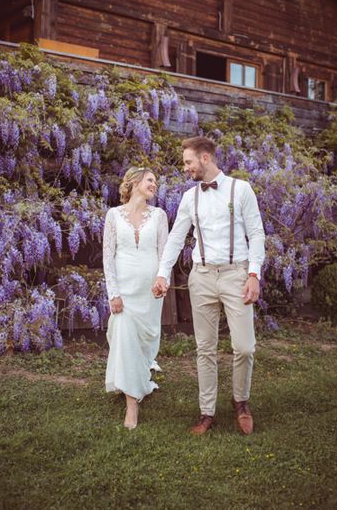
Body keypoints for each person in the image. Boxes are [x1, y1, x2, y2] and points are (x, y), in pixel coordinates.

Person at [153, 137, 265, 436]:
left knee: (244, 346)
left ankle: (240, 401)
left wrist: (253, 274)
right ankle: (206, 412)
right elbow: (177, 237)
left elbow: (256, 234)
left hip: (235, 275)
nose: (185, 167)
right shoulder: (190, 197)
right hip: (201, 277)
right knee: (205, 349)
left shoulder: (241, 189)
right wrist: (163, 274)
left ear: (205, 158)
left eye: (188, 161)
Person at [103, 166, 169, 429]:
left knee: (144, 343)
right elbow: (108, 257)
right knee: (124, 332)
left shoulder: (160, 215)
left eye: (156, 181)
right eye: (150, 180)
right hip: (125, 290)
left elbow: (165, 255)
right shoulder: (113, 215)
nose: (155, 184)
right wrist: (114, 293)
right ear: (134, 182)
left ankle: (135, 378)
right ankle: (132, 406)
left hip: (150, 292)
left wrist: (162, 280)